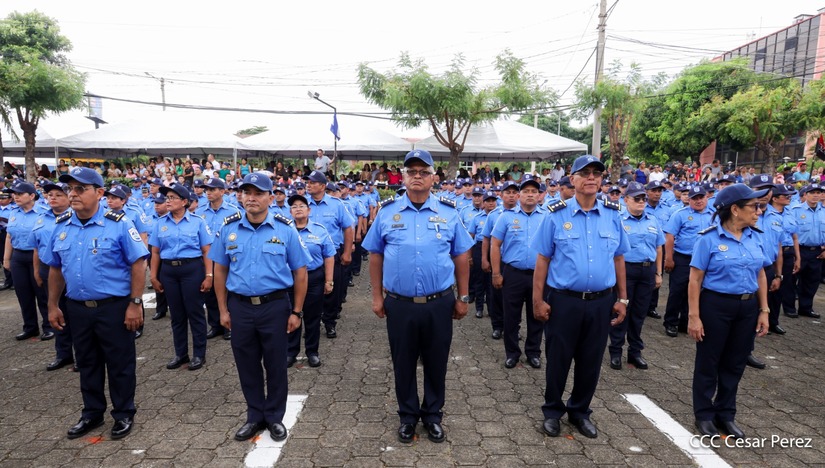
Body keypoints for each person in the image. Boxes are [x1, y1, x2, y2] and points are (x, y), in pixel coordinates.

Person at [362, 149, 473, 444]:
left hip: (440, 303)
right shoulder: (387, 212)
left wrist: (463, 297)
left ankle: (433, 415)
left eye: (424, 172)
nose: (418, 177)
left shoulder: (449, 212)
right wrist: (376, 296)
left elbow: (462, 256)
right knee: (403, 361)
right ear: (404, 176)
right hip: (399, 304)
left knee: (437, 361)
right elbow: (375, 255)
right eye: (412, 172)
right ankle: (408, 416)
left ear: (434, 177)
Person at [45, 167, 148, 440]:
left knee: (119, 364)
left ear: (99, 193)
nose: (73, 194)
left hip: (113, 307)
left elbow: (138, 263)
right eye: (70, 189)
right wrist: (52, 305)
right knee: (87, 362)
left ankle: (124, 413)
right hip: (77, 308)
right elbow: (55, 270)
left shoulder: (119, 224)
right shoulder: (62, 226)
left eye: (81, 189)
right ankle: (92, 413)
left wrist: (135, 303)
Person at [531, 155, 629, 439]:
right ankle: (552, 411)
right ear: (571, 179)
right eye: (584, 173)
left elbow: (619, 258)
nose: (591, 178)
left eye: (597, 174)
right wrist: (538, 300)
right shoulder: (555, 214)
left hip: (601, 301)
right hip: (565, 301)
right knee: (559, 359)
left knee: (590, 360)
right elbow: (542, 261)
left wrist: (622, 299)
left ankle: (579, 411)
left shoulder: (613, 214)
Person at [209, 173, 309, 442]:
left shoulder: (284, 228)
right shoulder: (228, 228)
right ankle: (254, 415)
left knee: (276, 364)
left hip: (274, 306)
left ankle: (275, 417)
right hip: (240, 307)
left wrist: (296, 311)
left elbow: (300, 272)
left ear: (269, 197)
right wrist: (222, 309)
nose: (251, 198)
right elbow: (220, 270)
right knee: (247, 364)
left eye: (258, 193)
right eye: (246, 192)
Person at [688, 183, 770, 439]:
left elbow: (761, 273)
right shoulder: (708, 238)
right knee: (709, 362)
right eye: (753, 206)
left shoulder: (756, 235)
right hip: (716, 305)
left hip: (747, 307)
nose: (758, 211)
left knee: (735, 363)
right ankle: (704, 414)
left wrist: (764, 309)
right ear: (735, 209)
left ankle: (726, 413)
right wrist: (694, 316)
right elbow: (695, 279)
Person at [149, 183, 214, 371]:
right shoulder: (160, 223)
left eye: (172, 198)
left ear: (184, 202)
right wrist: (153, 276)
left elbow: (206, 250)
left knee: (194, 312)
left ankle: (199, 354)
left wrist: (208, 275)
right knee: (176, 315)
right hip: (169, 271)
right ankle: (180, 353)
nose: (167, 201)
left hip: (191, 269)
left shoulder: (197, 221)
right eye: (166, 198)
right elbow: (155, 252)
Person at [490, 176, 545, 369]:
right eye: (526, 191)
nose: (530, 195)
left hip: (539, 275)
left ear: (539, 196)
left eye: (534, 192)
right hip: (513, 273)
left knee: (536, 315)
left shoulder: (547, 216)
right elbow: (495, 244)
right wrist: (496, 273)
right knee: (511, 316)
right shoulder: (506, 217)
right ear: (519, 195)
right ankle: (512, 353)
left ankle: (533, 352)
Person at [608, 182, 663, 370]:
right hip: (626, 270)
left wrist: (658, 273)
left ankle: (635, 352)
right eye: (636, 199)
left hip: (647, 270)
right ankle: (615, 351)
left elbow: (659, 246)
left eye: (643, 199)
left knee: (639, 314)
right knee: (621, 309)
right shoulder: (618, 219)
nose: (641, 202)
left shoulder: (652, 220)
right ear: (626, 200)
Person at [286, 190, 335, 368]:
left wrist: (329, 280)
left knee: (312, 317)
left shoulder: (319, 231)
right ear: (290, 212)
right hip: (290, 278)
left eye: (301, 206)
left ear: (309, 211)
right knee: (291, 314)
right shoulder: (284, 230)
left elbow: (329, 256)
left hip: (313, 277)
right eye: (294, 207)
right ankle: (291, 352)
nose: (298, 209)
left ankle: (312, 352)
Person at [304, 170, 355, 339]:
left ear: (323, 186)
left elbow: (348, 227)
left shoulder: (336, 204)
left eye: (312, 182)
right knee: (308, 290)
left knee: (332, 290)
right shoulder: (302, 203)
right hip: (307, 253)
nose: (308, 185)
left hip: (332, 254)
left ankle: (330, 322)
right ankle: (312, 323)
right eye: (308, 182)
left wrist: (347, 252)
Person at [30, 181, 75, 371]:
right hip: (49, 269)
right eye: (50, 195)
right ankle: (63, 354)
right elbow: (36, 247)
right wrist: (37, 271)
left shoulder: (76, 217)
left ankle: (82, 356)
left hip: (72, 271)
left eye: (58, 194)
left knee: (75, 315)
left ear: (69, 198)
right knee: (57, 313)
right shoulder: (41, 218)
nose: (53, 198)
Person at [663, 185, 713, 337]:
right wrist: (669, 258)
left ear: (707, 197)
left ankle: (685, 322)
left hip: (705, 261)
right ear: (689, 200)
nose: (698, 201)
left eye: (701, 197)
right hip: (683, 258)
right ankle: (671, 322)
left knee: (697, 291)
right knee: (677, 291)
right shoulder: (680, 214)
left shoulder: (715, 215)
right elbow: (670, 236)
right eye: (694, 198)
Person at [4, 181, 50, 341]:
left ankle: (48, 326)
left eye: (19, 194)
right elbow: (9, 236)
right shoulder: (14, 212)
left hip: (37, 255)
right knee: (23, 292)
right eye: (14, 194)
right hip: (18, 256)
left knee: (41, 291)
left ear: (31, 196)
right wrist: (6, 258)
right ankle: (30, 327)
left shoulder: (43, 212)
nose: (15, 197)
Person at [195, 178, 240, 340]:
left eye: (213, 189)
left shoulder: (233, 211)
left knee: (226, 290)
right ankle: (215, 325)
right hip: (206, 257)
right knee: (209, 291)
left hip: (225, 257)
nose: (208, 192)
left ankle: (228, 324)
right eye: (207, 189)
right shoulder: (200, 212)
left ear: (222, 191)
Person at [788, 183, 825, 319]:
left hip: (817, 251)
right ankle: (790, 308)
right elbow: (790, 233)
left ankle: (806, 307)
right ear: (805, 195)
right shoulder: (795, 210)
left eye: (818, 192)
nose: (816, 195)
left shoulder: (823, 211)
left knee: (812, 281)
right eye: (812, 192)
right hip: (800, 250)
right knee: (792, 281)